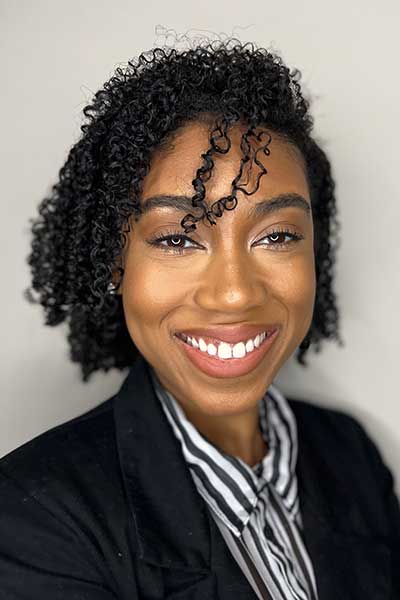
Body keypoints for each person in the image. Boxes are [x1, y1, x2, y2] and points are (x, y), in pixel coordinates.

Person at [0, 39, 398, 599]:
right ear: (116, 263)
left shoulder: (348, 452)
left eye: (278, 236)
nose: (234, 294)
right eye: (177, 239)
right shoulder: (33, 517)